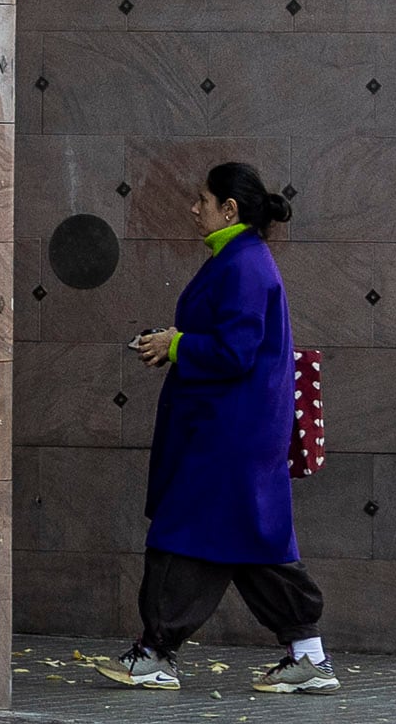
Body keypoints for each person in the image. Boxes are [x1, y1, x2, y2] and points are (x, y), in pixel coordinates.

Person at [96, 158, 336, 693]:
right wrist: (174, 343)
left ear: (229, 209)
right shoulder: (241, 259)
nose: (193, 208)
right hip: (236, 431)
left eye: (202, 200)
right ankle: (308, 655)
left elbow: (235, 350)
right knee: (254, 542)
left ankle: (158, 651)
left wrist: (176, 344)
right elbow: (231, 343)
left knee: (183, 532)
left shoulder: (243, 265)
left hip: (227, 433)